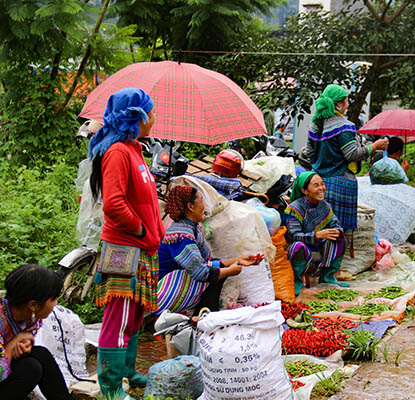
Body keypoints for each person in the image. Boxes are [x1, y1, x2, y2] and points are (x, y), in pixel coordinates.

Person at [88, 88, 165, 399]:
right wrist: (143, 232)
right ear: (137, 116)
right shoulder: (118, 152)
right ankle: (109, 387)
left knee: (133, 315)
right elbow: (114, 205)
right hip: (124, 247)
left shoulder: (135, 149)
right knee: (118, 317)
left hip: (141, 247)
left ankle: (128, 371)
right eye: (151, 112)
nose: (155, 117)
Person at [157, 185, 257, 313]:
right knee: (216, 274)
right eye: (201, 201)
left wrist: (238, 260)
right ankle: (205, 315)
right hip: (162, 293)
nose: (205, 205)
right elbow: (201, 272)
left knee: (217, 272)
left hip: (176, 285)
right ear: (190, 206)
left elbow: (204, 263)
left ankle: (204, 313)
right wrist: (230, 270)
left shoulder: (192, 228)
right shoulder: (180, 237)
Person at [306, 84, 388, 232]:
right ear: (338, 104)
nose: (348, 105)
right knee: (338, 230)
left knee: (320, 228)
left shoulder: (314, 125)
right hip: (339, 184)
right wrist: (374, 146)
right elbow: (352, 155)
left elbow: (309, 153)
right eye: (346, 101)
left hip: (316, 182)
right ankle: (336, 255)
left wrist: (322, 164)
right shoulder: (345, 126)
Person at [0, 264, 72, 400]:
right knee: (31, 368)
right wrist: (14, 343)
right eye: (53, 299)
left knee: (40, 354)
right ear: (33, 305)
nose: (56, 303)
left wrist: (25, 343)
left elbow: (27, 338)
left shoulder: (30, 317)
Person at [285, 171, 347, 295]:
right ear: (305, 191)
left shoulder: (325, 206)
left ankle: (327, 276)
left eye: (322, 184)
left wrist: (337, 231)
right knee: (298, 247)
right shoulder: (294, 209)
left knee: (340, 239)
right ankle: (296, 281)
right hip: (301, 249)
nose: (321, 189)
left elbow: (336, 224)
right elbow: (292, 235)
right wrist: (317, 235)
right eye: (316, 185)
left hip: (319, 247)